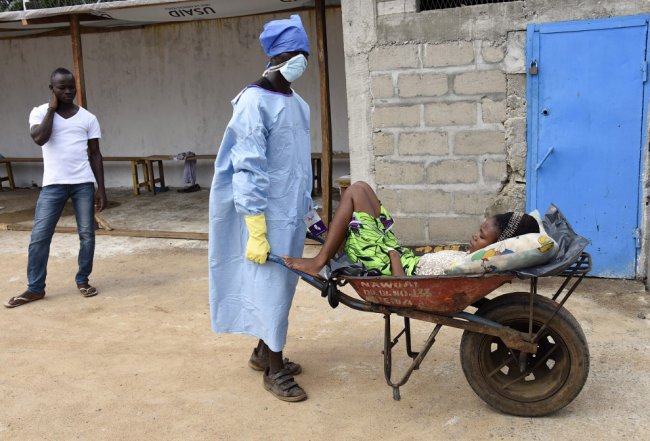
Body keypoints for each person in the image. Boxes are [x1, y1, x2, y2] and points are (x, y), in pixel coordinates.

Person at [208, 15, 312, 402]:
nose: (300, 59)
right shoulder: (253, 101)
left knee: (280, 286)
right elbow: (247, 165)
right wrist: (254, 225)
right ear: (275, 55)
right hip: (261, 214)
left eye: (304, 53)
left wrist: (310, 215)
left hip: (289, 212)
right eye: (294, 53)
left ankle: (261, 350)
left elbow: (299, 167)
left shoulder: (298, 105)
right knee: (269, 286)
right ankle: (274, 369)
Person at [4, 67, 107, 308]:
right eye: (62, 88)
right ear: (52, 89)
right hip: (53, 185)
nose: (68, 91)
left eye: (72, 87)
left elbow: (95, 155)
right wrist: (52, 109)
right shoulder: (39, 112)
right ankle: (35, 288)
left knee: (87, 235)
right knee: (39, 237)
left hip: (82, 183)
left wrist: (101, 188)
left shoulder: (88, 118)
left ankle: (83, 280)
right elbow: (40, 138)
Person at [284, 181, 540, 277]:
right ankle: (335, 243)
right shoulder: (473, 260)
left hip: (384, 260)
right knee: (361, 188)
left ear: (496, 246)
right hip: (393, 253)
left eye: (482, 236)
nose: (475, 235)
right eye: (479, 230)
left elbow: (404, 285)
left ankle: (320, 260)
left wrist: (393, 253)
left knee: (353, 192)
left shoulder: (465, 266)